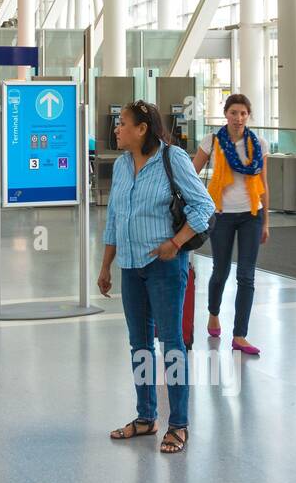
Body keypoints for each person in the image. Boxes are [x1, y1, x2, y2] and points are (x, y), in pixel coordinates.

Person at [98, 101, 214, 455]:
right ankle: (146, 417)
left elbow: (204, 206)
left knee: (172, 343)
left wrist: (175, 243)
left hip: (166, 266)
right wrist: (106, 266)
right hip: (131, 268)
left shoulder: (173, 158)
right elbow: (116, 218)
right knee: (140, 344)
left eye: (122, 124)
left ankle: (178, 423)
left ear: (142, 129)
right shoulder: (120, 165)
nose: (116, 129)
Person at [191, 93, 269, 355]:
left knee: (246, 275)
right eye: (234, 112)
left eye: (243, 113)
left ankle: (240, 335)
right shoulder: (212, 141)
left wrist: (266, 220)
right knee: (221, 270)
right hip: (221, 214)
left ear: (249, 116)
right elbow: (191, 175)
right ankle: (213, 313)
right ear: (226, 114)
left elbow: (263, 185)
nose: (238, 118)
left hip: (251, 215)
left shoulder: (259, 143)